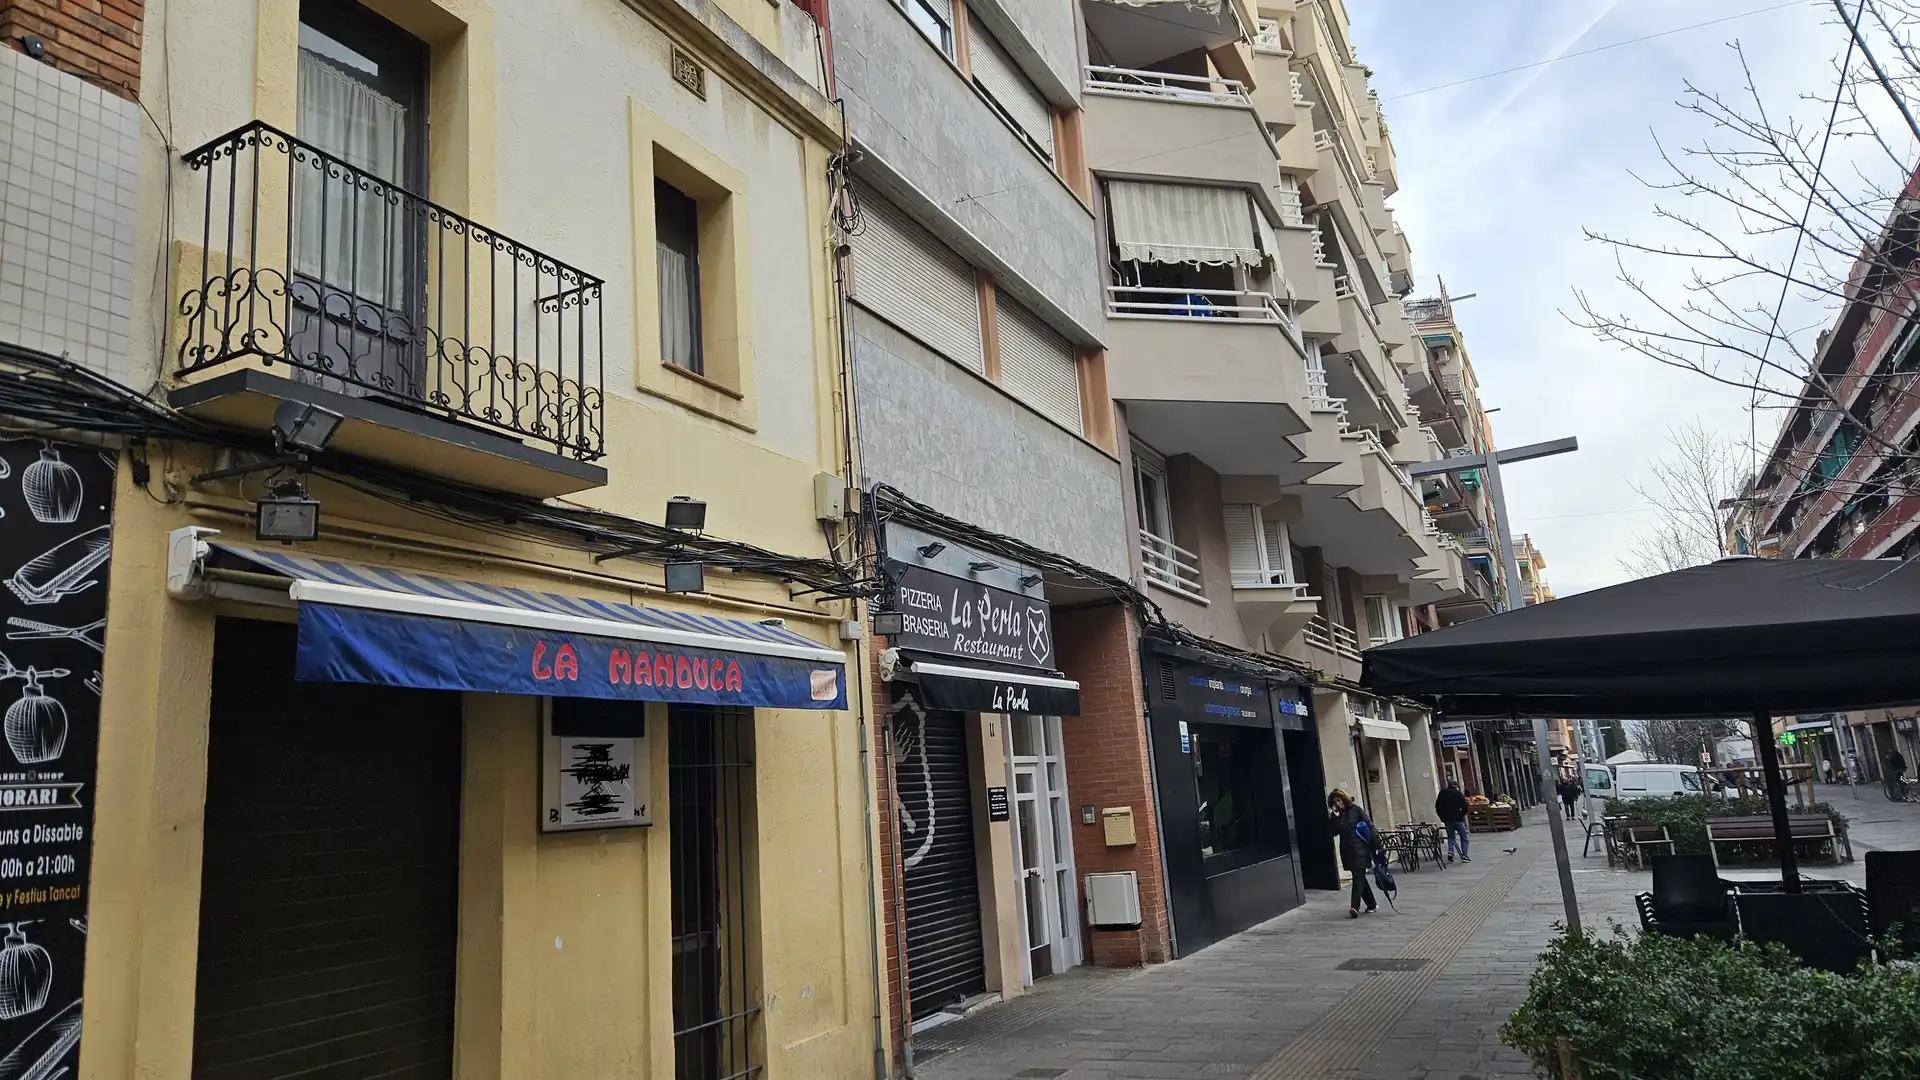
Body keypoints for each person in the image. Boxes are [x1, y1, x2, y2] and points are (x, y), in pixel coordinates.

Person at [1329, 788, 1377, 918]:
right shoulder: (1338, 815)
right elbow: (1333, 832)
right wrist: (1334, 817)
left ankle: (1354, 907)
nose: (1338, 803)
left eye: (1339, 800)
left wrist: (1377, 846)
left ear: (1344, 798)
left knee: (1358, 877)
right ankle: (1372, 904)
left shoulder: (1356, 810)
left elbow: (1370, 825)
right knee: (1360, 877)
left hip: (1361, 849)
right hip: (1347, 851)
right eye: (1335, 802)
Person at [1435, 781, 1470, 863]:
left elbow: (1438, 807)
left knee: (1451, 837)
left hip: (1447, 820)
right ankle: (1464, 855)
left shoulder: (1442, 793)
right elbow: (1465, 807)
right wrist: (1461, 814)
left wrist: (1442, 818)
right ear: (1456, 786)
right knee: (1464, 837)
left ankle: (1451, 852)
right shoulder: (1458, 794)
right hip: (1458, 819)